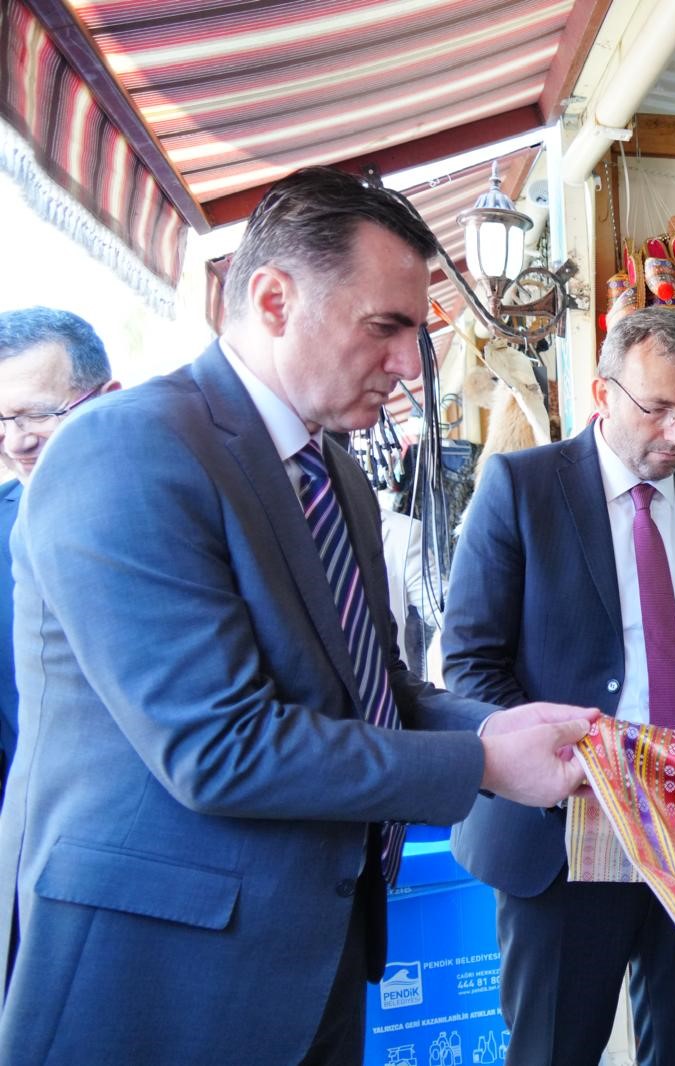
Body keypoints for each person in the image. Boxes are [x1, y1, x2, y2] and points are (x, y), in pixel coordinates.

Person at [0, 167, 598, 1066]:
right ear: (274, 299)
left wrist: (505, 722)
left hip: (318, 951)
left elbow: (373, 685)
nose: (407, 366)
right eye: (385, 327)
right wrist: (479, 760)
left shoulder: (341, 479)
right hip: (156, 975)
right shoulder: (126, 448)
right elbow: (220, 746)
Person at [444, 305, 675, 1066]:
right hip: (566, 827)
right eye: (657, 408)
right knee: (555, 1050)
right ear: (602, 393)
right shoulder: (520, 488)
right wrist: (539, 761)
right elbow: (469, 663)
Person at [0, 307, 120, 799]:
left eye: (38, 414)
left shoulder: (188, 508)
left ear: (110, 400)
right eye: (1, 420)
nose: (16, 441)